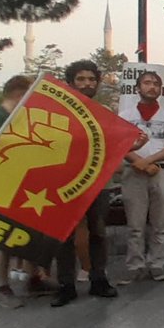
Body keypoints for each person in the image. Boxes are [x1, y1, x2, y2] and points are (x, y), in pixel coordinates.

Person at [52, 61, 124, 306]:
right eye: (81, 79)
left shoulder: (103, 112)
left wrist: (132, 144)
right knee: (64, 234)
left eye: (91, 79)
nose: (87, 84)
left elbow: (113, 143)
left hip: (98, 182)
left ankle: (99, 279)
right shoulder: (57, 111)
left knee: (98, 232)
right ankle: (66, 284)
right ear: (70, 83)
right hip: (66, 181)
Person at [0, 75, 51, 307]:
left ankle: (33, 279)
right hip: (2, 187)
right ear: (20, 94)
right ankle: (2, 288)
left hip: (23, 185)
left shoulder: (20, 117)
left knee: (28, 233)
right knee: (1, 237)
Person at [118, 70, 164, 284]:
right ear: (138, 88)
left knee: (159, 223)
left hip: (162, 171)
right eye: (146, 83)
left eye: (155, 83)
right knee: (135, 225)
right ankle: (135, 266)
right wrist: (140, 163)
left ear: (160, 90)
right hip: (134, 172)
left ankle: (157, 264)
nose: (151, 86)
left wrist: (150, 161)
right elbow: (120, 145)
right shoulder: (125, 116)